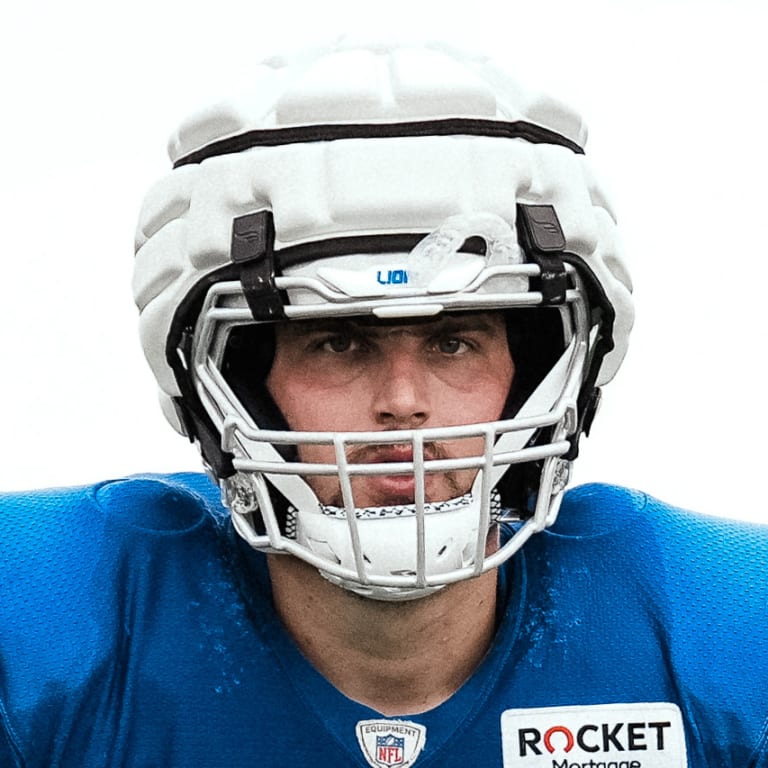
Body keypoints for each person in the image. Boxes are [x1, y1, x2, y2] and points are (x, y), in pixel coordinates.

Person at [1, 41, 766, 768]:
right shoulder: (52, 622)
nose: (403, 403)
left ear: (537, 373)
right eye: (337, 344)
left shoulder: (727, 627)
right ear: (229, 380)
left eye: (454, 343)